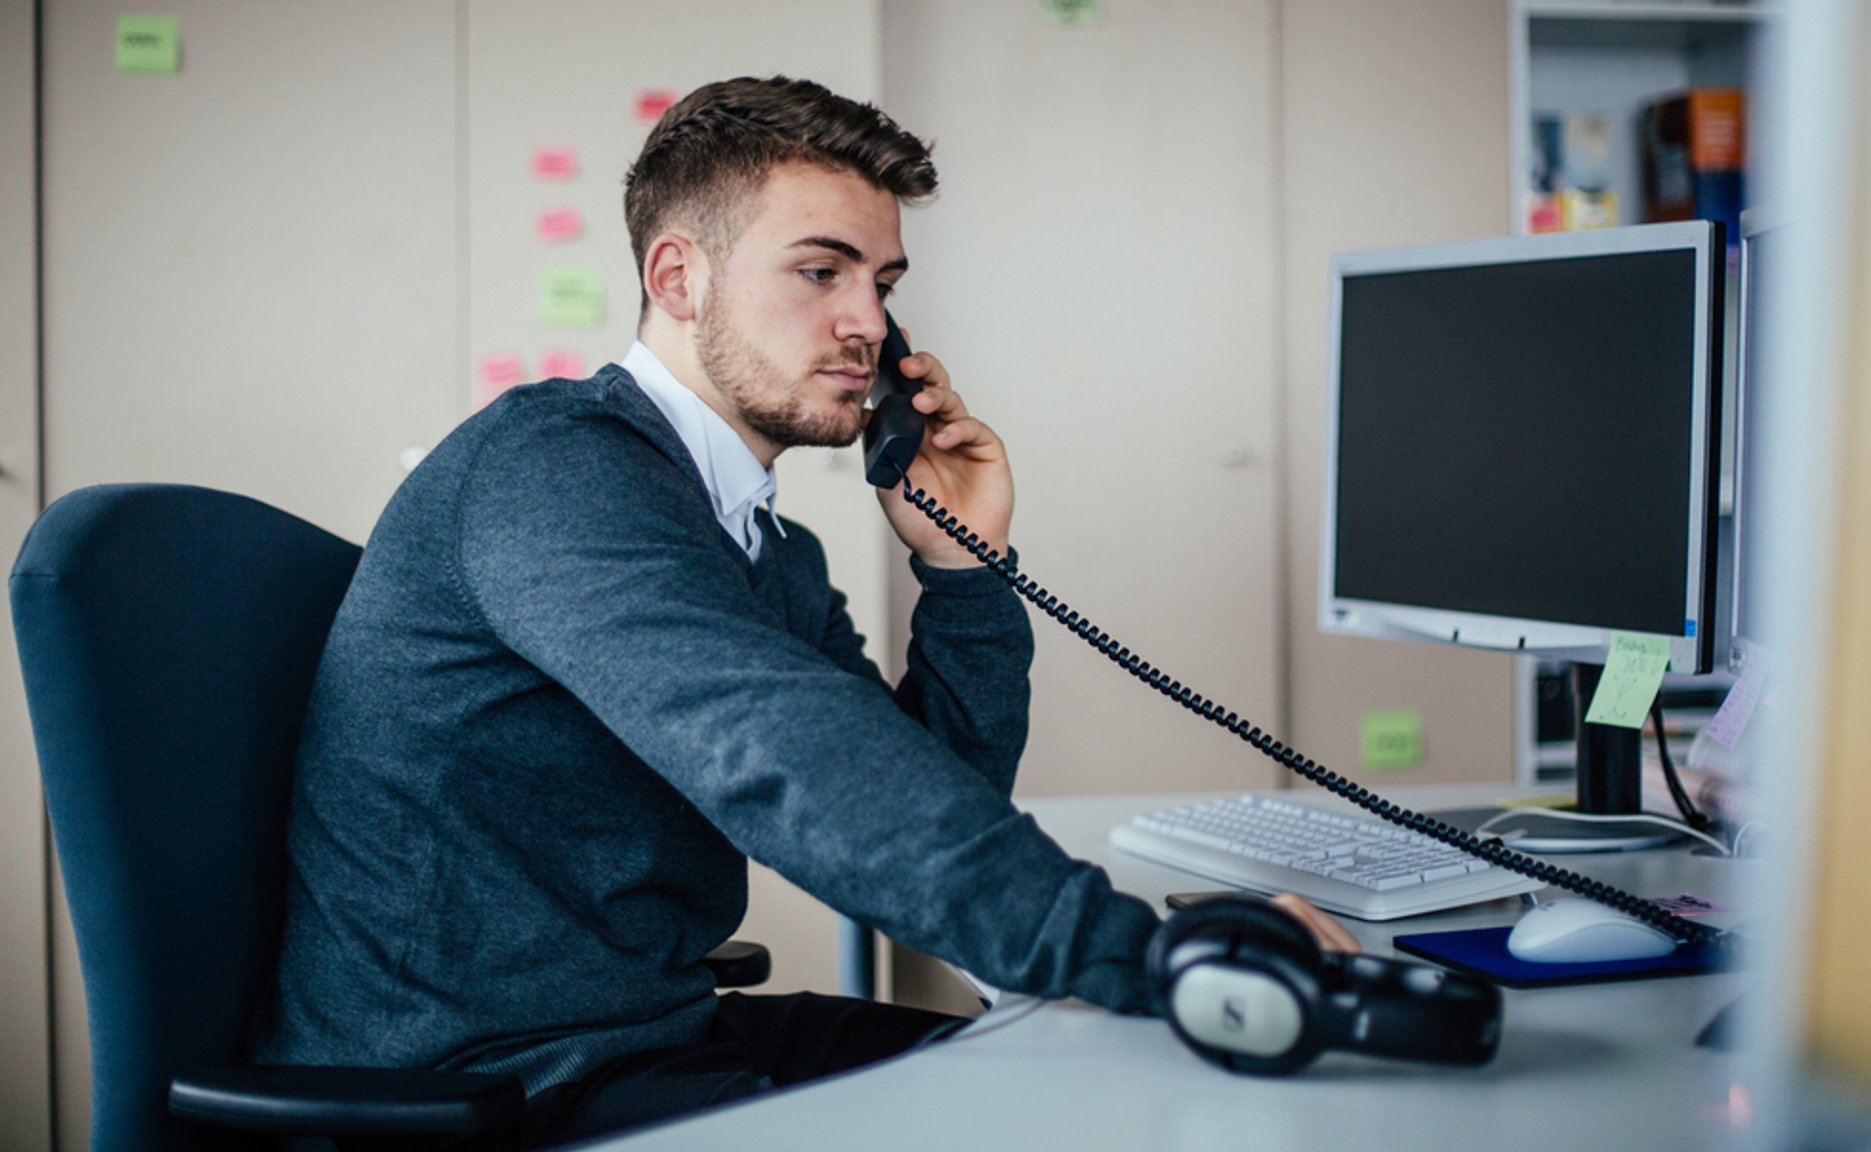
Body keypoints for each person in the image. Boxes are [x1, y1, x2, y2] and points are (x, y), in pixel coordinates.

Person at [250, 75, 1355, 1146]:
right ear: (678, 279)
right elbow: (784, 759)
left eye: (881, 282)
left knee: (1077, 1071)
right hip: (486, 1091)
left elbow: (925, 797)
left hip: (641, 1038)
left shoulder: (763, 545)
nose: (866, 324)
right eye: (820, 272)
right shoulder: (553, 473)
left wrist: (963, 568)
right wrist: (1149, 951)